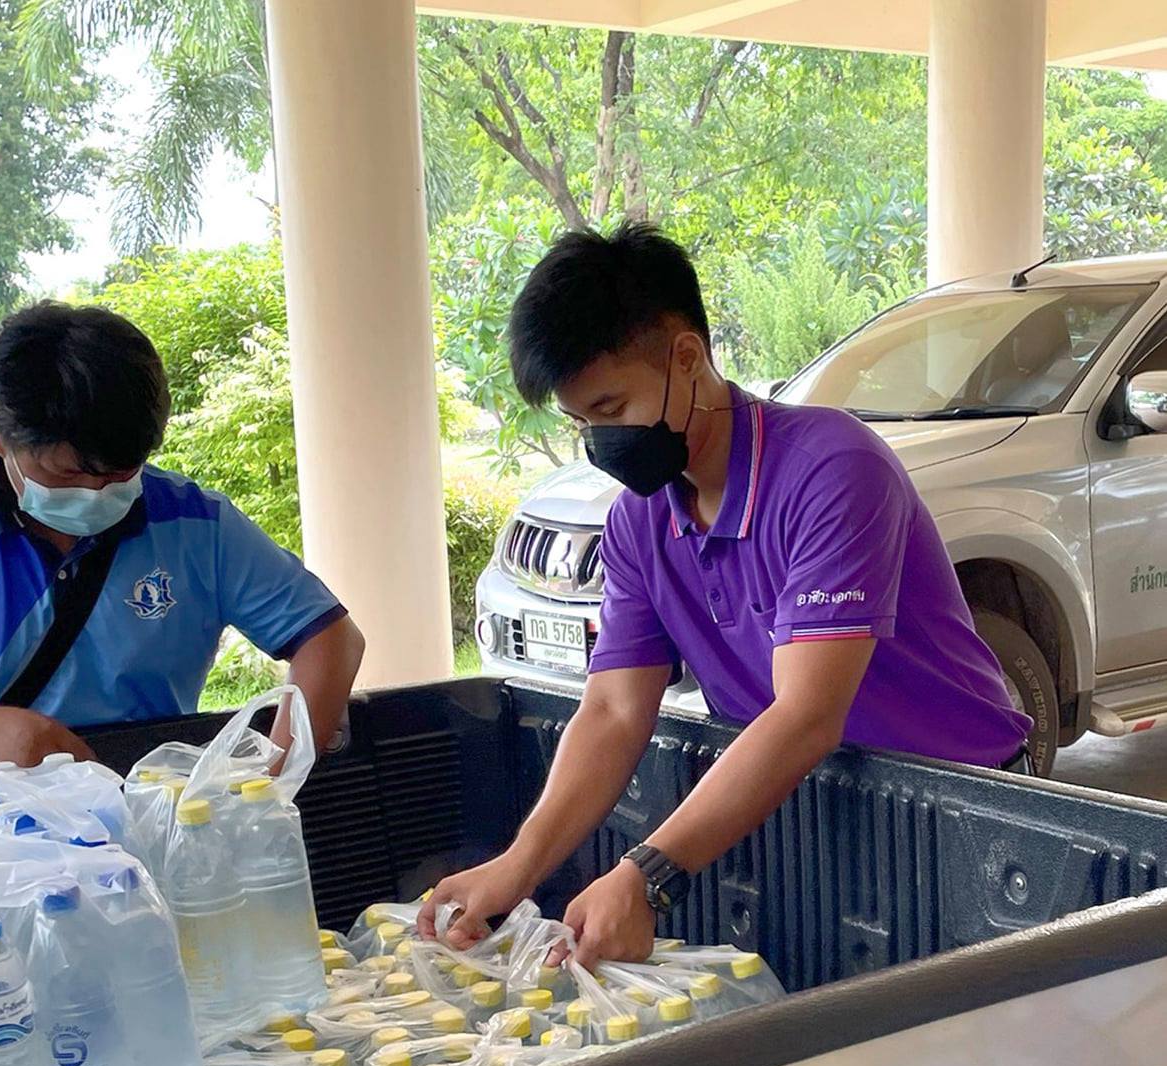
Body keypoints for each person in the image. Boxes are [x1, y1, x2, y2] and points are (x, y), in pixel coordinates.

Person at [420, 223, 1029, 968]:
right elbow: (613, 709)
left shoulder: (831, 471)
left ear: (686, 356)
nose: (599, 442)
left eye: (610, 410)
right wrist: (517, 869)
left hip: (968, 819)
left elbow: (805, 714)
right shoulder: (638, 521)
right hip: (806, 812)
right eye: (582, 423)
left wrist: (645, 873)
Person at [0, 302, 364, 766]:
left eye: (120, 474)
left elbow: (330, 638)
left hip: (144, 794)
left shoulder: (195, 525)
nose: (97, 492)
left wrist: (276, 773)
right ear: (3, 439)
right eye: (68, 474)